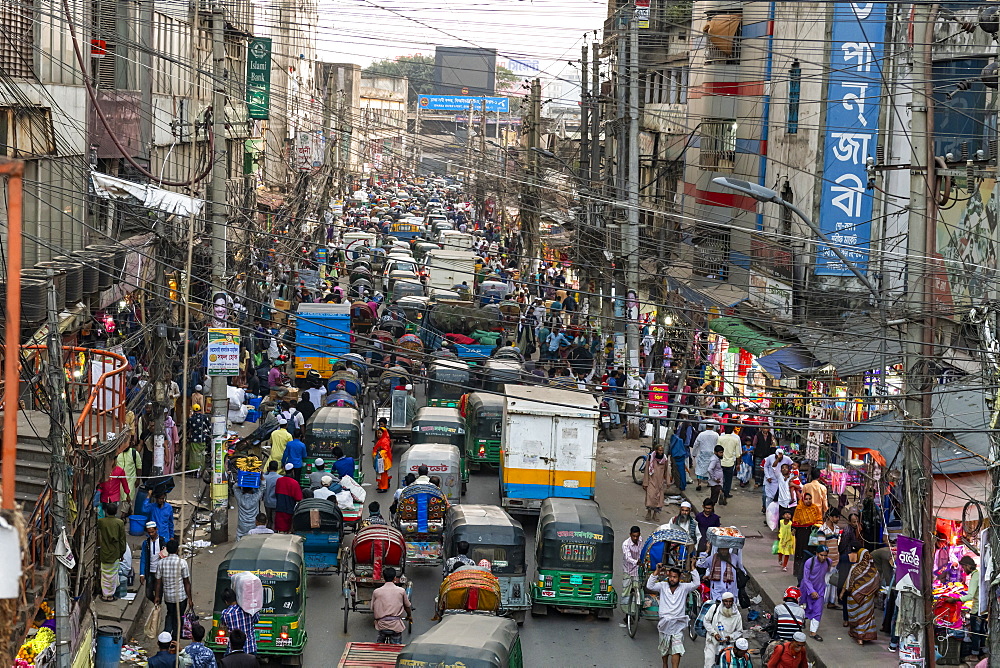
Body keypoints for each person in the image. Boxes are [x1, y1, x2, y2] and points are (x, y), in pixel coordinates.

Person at [645, 565, 701, 668]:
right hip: (664, 622)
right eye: (670, 576)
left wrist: (692, 568)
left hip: (678, 623)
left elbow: (696, 583)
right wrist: (657, 571)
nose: (672, 579)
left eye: (675, 577)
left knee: (677, 648)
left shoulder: (684, 588)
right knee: (664, 648)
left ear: (679, 578)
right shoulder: (662, 586)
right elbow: (650, 585)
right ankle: (665, 664)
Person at [842, 547, 881, 645]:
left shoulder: (855, 568)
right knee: (865, 617)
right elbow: (876, 584)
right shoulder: (874, 570)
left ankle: (858, 637)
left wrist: (843, 593)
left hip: (854, 597)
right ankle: (864, 636)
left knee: (856, 616)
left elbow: (848, 583)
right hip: (868, 598)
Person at [155, 539, 191, 640]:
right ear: (177, 550)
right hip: (181, 597)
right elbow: (186, 582)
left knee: (170, 614)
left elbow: (158, 582)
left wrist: (157, 596)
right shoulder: (182, 563)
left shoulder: (161, 563)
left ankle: (166, 635)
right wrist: (190, 599)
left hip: (168, 597)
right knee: (178, 617)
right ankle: (175, 639)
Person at [370, 566, 412, 644]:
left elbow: (372, 608)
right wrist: (409, 616)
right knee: (396, 648)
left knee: (380, 643)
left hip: (381, 625)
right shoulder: (401, 591)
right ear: (395, 578)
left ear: (383, 577)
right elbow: (407, 606)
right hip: (395, 625)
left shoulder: (376, 591)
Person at [702, 592, 744, 668]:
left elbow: (739, 631)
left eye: (730, 601)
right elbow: (706, 621)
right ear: (722, 601)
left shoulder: (737, 615)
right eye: (726, 601)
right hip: (712, 642)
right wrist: (714, 633)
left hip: (728, 645)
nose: (728, 603)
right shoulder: (715, 608)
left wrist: (730, 637)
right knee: (709, 663)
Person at [97, 502, 127, 601]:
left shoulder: (101, 522)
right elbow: (122, 540)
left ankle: (105, 594)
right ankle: (110, 595)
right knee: (113, 575)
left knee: (105, 575)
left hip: (104, 553)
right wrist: (122, 553)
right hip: (115, 553)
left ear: (106, 511)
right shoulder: (120, 523)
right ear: (116, 511)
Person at [799, 546, 830, 641]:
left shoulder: (828, 562)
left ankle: (813, 632)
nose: (823, 558)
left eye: (825, 555)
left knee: (818, 611)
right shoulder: (809, 562)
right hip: (806, 590)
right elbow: (806, 578)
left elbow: (826, 575)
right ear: (817, 554)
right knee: (803, 608)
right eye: (821, 555)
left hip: (820, 590)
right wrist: (812, 591)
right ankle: (802, 621)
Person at [790, 491, 822, 578]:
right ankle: (798, 571)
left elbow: (819, 519)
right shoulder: (799, 508)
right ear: (803, 500)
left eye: (810, 499)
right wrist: (793, 529)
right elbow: (795, 521)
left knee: (811, 551)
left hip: (812, 533)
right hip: (801, 533)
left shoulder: (815, 508)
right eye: (806, 499)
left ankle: (810, 571)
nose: (808, 501)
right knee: (801, 551)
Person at [220, 587, 260, 655]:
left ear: (226, 602)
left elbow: (223, 624)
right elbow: (256, 619)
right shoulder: (247, 609)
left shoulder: (225, 613)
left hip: (233, 650)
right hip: (250, 648)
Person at [960, 555, 984, 662]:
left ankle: (974, 655)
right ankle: (982, 654)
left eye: (964, 567)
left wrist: (956, 599)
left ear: (968, 566)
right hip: (982, 608)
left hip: (977, 609)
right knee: (982, 632)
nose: (963, 570)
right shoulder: (979, 574)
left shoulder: (975, 576)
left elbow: (970, 596)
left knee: (976, 633)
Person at [664, 501, 700, 568]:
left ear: (689, 511)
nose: (684, 512)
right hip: (673, 548)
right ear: (680, 510)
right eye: (682, 510)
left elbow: (698, 536)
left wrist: (694, 547)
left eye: (686, 511)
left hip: (687, 548)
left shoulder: (694, 523)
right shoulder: (673, 520)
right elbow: (668, 532)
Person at [642, 444, 670, 521]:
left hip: (660, 483)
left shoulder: (664, 459)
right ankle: (649, 512)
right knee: (650, 497)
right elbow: (647, 471)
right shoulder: (651, 458)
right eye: (659, 450)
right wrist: (645, 483)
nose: (661, 452)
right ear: (656, 450)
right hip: (651, 481)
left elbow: (666, 471)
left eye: (662, 450)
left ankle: (655, 514)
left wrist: (668, 481)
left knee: (659, 499)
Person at [139, 520, 164, 601]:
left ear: (156, 529)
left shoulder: (162, 541)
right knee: (148, 594)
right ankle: (156, 604)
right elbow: (143, 558)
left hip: (160, 572)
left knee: (159, 593)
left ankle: (157, 605)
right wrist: (142, 574)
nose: (151, 534)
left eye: (152, 532)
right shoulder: (145, 543)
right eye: (149, 532)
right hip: (150, 572)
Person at [274, 464, 303, 532]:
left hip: (279, 508)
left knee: (280, 530)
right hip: (289, 510)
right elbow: (298, 498)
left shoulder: (279, 480)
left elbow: (276, 493)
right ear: (292, 471)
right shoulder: (294, 483)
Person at [692, 422, 719, 492]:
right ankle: (709, 483)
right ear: (713, 427)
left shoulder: (701, 434)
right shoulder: (716, 435)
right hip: (712, 454)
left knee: (700, 468)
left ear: (706, 426)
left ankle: (699, 483)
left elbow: (696, 444)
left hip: (702, 454)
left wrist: (694, 453)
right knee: (710, 468)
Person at [717, 424, 741, 500]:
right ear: (732, 430)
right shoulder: (735, 439)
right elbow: (738, 454)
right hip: (730, 462)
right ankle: (726, 493)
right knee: (728, 479)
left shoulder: (720, 438)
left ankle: (720, 491)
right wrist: (738, 464)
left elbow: (716, 450)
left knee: (721, 479)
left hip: (721, 462)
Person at [621, 526, 642, 613]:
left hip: (637, 570)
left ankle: (635, 610)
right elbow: (628, 558)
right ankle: (627, 612)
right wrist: (637, 562)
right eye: (633, 536)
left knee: (638, 590)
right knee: (626, 592)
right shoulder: (626, 544)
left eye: (637, 536)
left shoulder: (640, 540)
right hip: (628, 571)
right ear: (630, 535)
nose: (635, 538)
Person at [762, 448, 787, 513]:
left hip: (779, 481)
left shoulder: (786, 459)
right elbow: (765, 467)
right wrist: (768, 476)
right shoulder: (769, 458)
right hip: (770, 481)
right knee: (768, 497)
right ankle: (767, 511)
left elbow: (792, 465)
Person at [373, 420, 393, 492]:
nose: (379, 434)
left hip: (383, 461)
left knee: (383, 475)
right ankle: (380, 486)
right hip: (380, 460)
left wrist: (379, 452)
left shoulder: (384, 441)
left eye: (380, 433)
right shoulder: (381, 440)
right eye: (378, 433)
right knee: (380, 474)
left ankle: (384, 487)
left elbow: (385, 450)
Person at [262, 461, 280, 529]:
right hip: (276, 502)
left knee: (269, 520)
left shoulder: (265, 477)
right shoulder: (280, 478)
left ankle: (268, 530)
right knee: (274, 520)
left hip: (267, 502)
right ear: (277, 468)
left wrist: (267, 471)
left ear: (268, 468)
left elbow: (263, 476)